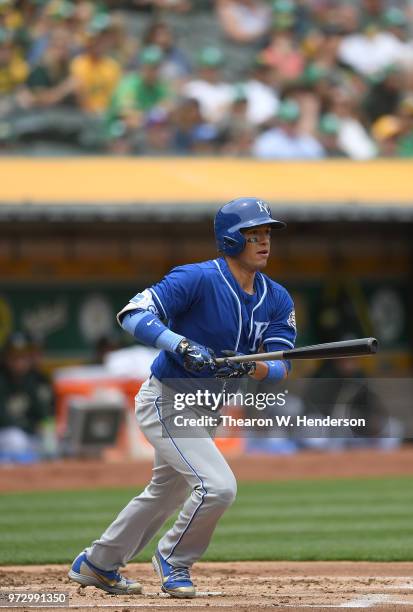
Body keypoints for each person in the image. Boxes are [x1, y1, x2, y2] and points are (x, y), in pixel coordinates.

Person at [68, 197, 296, 598]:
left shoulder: (276, 298)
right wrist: (181, 345)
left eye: (266, 234)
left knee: (164, 493)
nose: (264, 242)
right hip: (168, 399)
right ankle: (174, 558)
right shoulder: (197, 278)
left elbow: (280, 365)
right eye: (253, 234)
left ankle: (98, 563)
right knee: (218, 487)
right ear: (230, 239)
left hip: (207, 410)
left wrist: (249, 367)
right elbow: (134, 313)